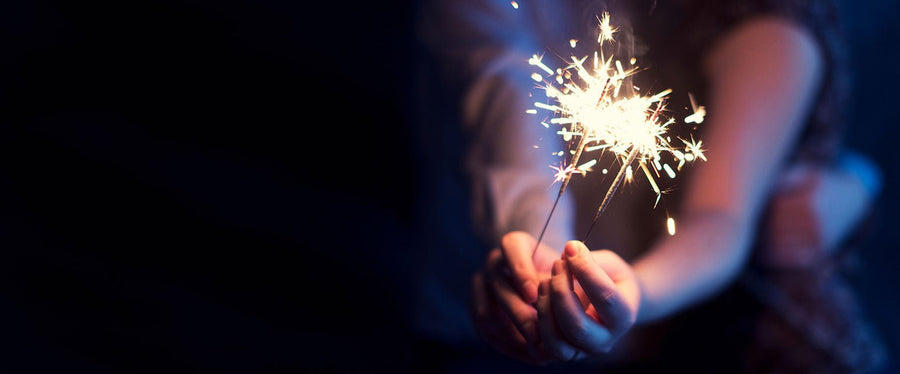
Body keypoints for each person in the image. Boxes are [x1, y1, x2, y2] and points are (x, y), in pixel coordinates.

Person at [413, 0, 886, 371]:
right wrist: (536, 241)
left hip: (753, 336)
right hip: (476, 318)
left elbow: (721, 216)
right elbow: (507, 85)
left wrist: (633, 291)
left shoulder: (767, 19)